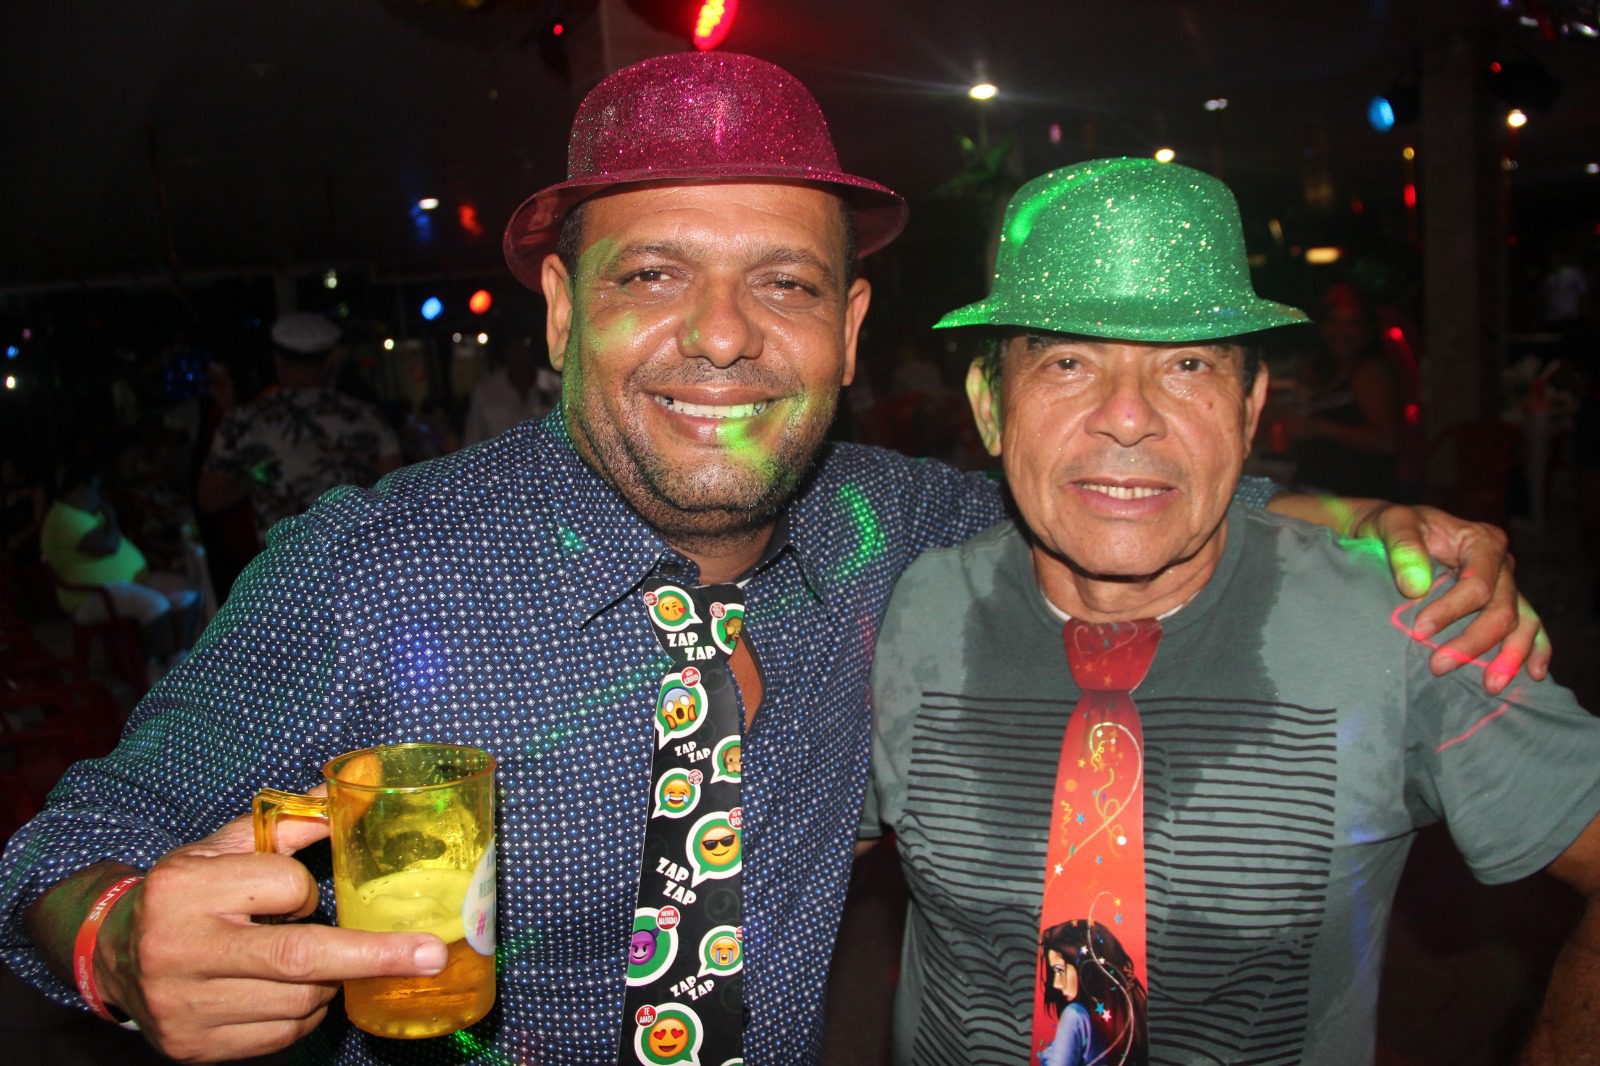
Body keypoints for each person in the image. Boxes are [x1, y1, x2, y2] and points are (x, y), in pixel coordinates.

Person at [0, 56, 1545, 1066]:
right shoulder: (369, 574)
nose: (726, 337)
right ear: (561, 311)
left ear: (852, 330)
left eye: (787, 284)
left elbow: (1124, 485)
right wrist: (121, 938)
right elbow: (64, 846)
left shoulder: (909, 532)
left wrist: (1364, 525)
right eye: (654, 275)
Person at [861, 158, 1600, 1064]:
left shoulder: (1409, 624)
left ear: (1250, 409)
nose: (1127, 416)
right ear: (989, 407)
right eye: (1067, 361)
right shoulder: (911, 605)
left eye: (1187, 364)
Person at [197, 311, 401, 546]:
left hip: (286, 561)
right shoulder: (365, 416)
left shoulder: (244, 420)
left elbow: (210, 499)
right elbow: (395, 488)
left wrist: (260, 477)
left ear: (277, 359)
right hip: (358, 555)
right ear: (330, 360)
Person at [39, 458, 201, 664]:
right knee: (155, 605)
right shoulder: (64, 518)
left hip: (126, 583)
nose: (100, 497)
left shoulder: (83, 513)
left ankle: (180, 657)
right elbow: (108, 546)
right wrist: (111, 516)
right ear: (81, 489)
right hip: (89, 596)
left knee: (187, 594)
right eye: (97, 491)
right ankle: (156, 669)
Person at [462, 333, 562, 444]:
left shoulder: (556, 386)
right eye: (514, 347)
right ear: (505, 351)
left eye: (523, 346)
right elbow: (472, 439)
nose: (519, 353)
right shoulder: (485, 391)